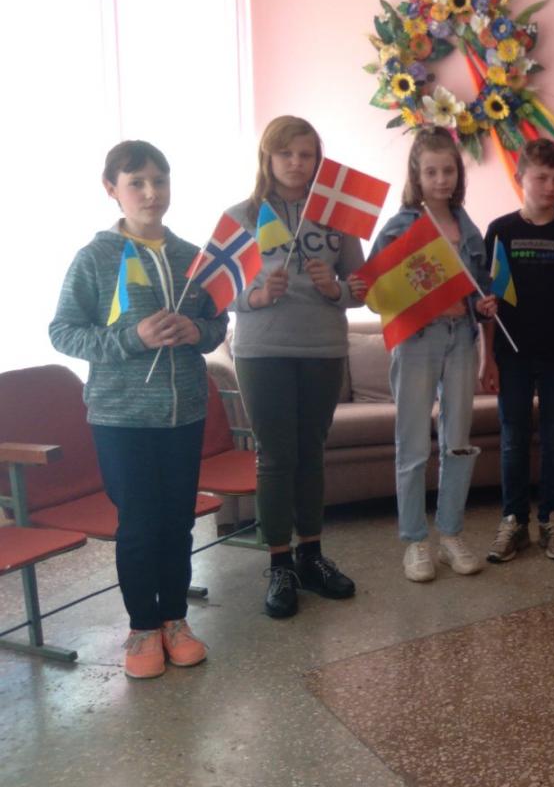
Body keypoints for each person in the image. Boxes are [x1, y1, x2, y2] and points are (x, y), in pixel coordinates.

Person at [50, 140, 229, 678]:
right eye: (137, 183)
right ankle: (143, 627)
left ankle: (175, 619)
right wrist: (133, 338)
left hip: (184, 413)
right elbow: (63, 332)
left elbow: (217, 324)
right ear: (112, 189)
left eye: (160, 180)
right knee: (138, 525)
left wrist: (198, 331)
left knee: (177, 522)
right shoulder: (95, 258)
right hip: (120, 418)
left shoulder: (193, 256)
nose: (151, 193)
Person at [227, 115, 364, 619]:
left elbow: (362, 289)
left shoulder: (338, 216)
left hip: (323, 348)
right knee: (275, 457)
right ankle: (279, 563)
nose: (296, 163)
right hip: (263, 351)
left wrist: (336, 289)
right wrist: (256, 297)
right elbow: (217, 292)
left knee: (311, 454)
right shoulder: (241, 216)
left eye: (306, 154)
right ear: (268, 157)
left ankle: (311, 556)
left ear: (317, 161)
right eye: (286, 153)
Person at [363, 127, 489, 582]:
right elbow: (376, 293)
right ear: (416, 176)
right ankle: (415, 541)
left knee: (457, 440)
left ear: (458, 174)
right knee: (413, 442)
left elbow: (479, 290)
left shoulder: (468, 228)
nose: (441, 180)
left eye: (448, 171)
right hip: (418, 340)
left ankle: (450, 534)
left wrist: (484, 306)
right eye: (431, 171)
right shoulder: (400, 228)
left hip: (462, 338)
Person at [480, 137, 554, 562]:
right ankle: (513, 521)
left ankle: (551, 518)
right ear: (521, 177)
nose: (551, 187)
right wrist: (487, 358)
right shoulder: (501, 230)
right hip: (512, 354)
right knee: (513, 440)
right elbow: (488, 302)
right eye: (542, 178)